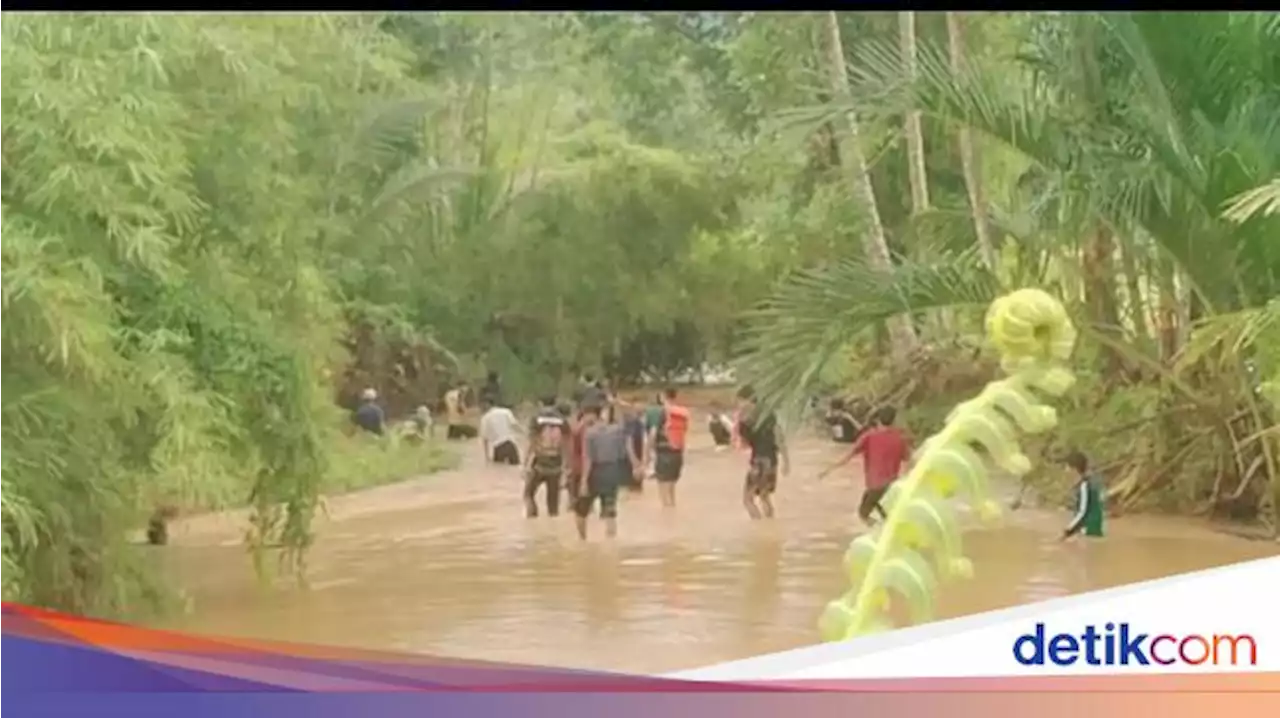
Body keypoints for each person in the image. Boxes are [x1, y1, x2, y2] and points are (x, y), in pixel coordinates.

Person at [819, 405, 910, 527]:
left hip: (875, 487)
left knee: (863, 514)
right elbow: (910, 461)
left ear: (878, 420)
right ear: (893, 421)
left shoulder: (869, 436)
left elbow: (848, 456)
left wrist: (828, 470)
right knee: (888, 516)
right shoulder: (900, 439)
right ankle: (886, 533)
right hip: (892, 487)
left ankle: (879, 534)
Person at [574, 404, 640, 540]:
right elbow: (628, 445)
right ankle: (611, 544)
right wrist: (617, 403)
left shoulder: (590, 433)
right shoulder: (617, 430)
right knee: (609, 512)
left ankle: (582, 540)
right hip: (613, 472)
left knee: (581, 510)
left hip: (595, 473)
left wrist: (584, 482)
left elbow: (588, 459)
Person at [736, 386, 790, 519]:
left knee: (747, 499)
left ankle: (759, 529)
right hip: (772, 461)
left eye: (740, 401)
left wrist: (741, 423)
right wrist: (786, 461)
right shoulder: (769, 415)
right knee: (765, 497)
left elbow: (745, 443)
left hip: (758, 461)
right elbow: (779, 438)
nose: (739, 405)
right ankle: (769, 527)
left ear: (747, 400)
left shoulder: (746, 420)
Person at [524, 396, 568, 517]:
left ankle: (532, 520)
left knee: (528, 494)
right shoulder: (562, 420)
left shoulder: (536, 418)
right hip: (556, 465)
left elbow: (532, 442)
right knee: (553, 504)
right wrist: (566, 467)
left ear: (540, 403)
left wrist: (526, 464)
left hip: (540, 463)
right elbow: (567, 444)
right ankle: (553, 530)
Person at [649, 388, 690, 508]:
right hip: (677, 452)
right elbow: (685, 430)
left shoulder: (660, 412)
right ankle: (672, 507)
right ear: (675, 397)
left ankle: (667, 514)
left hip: (663, 452)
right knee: (672, 485)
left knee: (662, 485)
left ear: (663, 397)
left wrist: (649, 453)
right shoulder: (683, 412)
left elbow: (653, 433)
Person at [1062, 450, 1105, 539]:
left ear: (1074, 469)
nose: (1065, 470)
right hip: (1090, 531)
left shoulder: (1084, 486)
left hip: (1088, 532)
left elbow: (1083, 512)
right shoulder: (1085, 484)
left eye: (1066, 466)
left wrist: (1067, 531)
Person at [479, 398, 523, 465]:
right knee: (515, 466)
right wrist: (525, 433)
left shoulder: (485, 418)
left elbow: (485, 439)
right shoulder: (506, 411)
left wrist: (487, 456)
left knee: (498, 468)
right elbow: (515, 425)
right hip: (510, 444)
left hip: (498, 447)